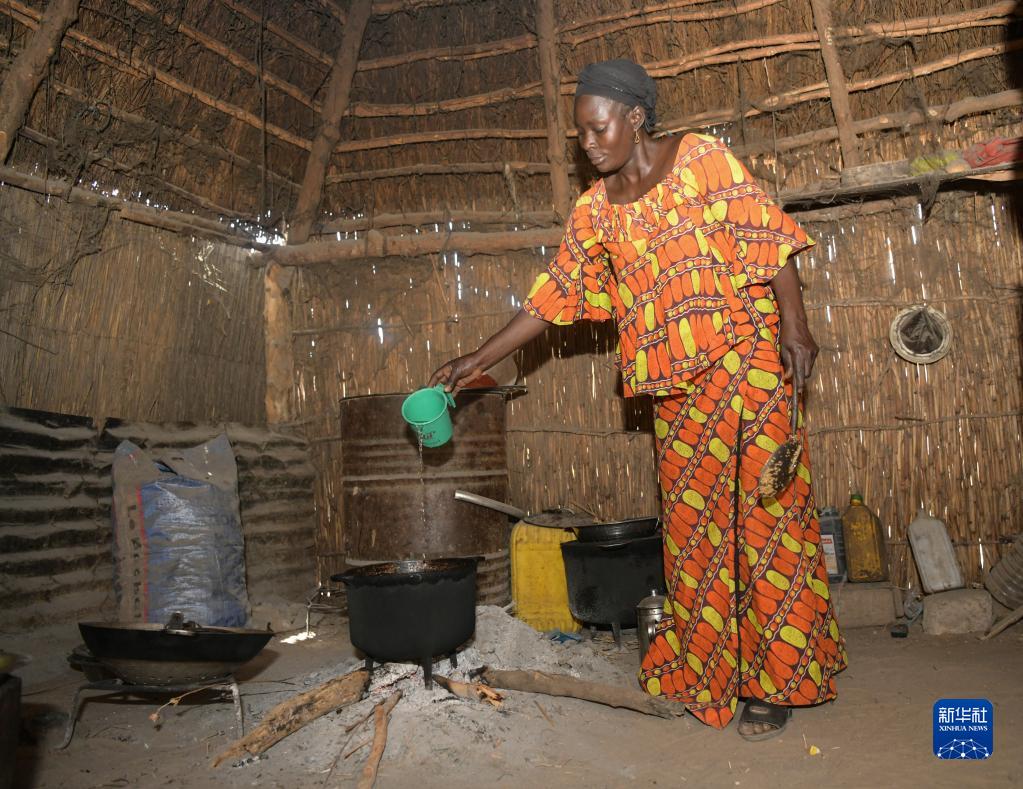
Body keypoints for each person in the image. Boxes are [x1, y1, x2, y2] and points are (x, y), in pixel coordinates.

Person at [430, 59, 846, 740]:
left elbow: (769, 242)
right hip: (675, 394)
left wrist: (795, 329)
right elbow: (553, 296)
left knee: (766, 525)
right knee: (693, 536)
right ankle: (710, 671)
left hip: (748, 368)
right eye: (580, 135)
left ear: (635, 117)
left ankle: (774, 682)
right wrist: (478, 358)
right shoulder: (594, 210)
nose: (588, 145)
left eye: (598, 129)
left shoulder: (702, 160)